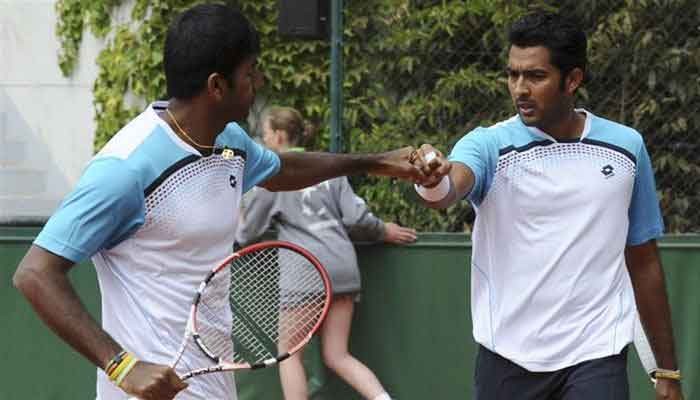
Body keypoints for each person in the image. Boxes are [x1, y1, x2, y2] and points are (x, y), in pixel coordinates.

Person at [11, 4, 443, 400]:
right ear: (217, 86)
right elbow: (35, 273)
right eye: (251, 72)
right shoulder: (124, 168)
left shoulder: (228, 141)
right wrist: (121, 365)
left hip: (213, 386)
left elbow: (282, 170)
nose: (260, 83)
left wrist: (377, 162)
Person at [410, 12, 683, 400]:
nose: (520, 89)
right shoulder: (488, 144)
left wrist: (667, 370)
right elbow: (449, 188)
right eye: (513, 75)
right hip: (507, 356)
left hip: (596, 353)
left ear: (572, 80)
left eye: (535, 76)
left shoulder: (626, 148)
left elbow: (643, 260)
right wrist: (432, 178)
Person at [236, 106, 417, 400]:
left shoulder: (273, 174)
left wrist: (235, 217)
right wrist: (383, 230)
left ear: (279, 136)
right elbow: (357, 218)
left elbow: (247, 234)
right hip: (343, 269)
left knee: (288, 353)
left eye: (266, 134)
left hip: (306, 275)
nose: (264, 140)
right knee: (337, 354)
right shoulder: (327, 167)